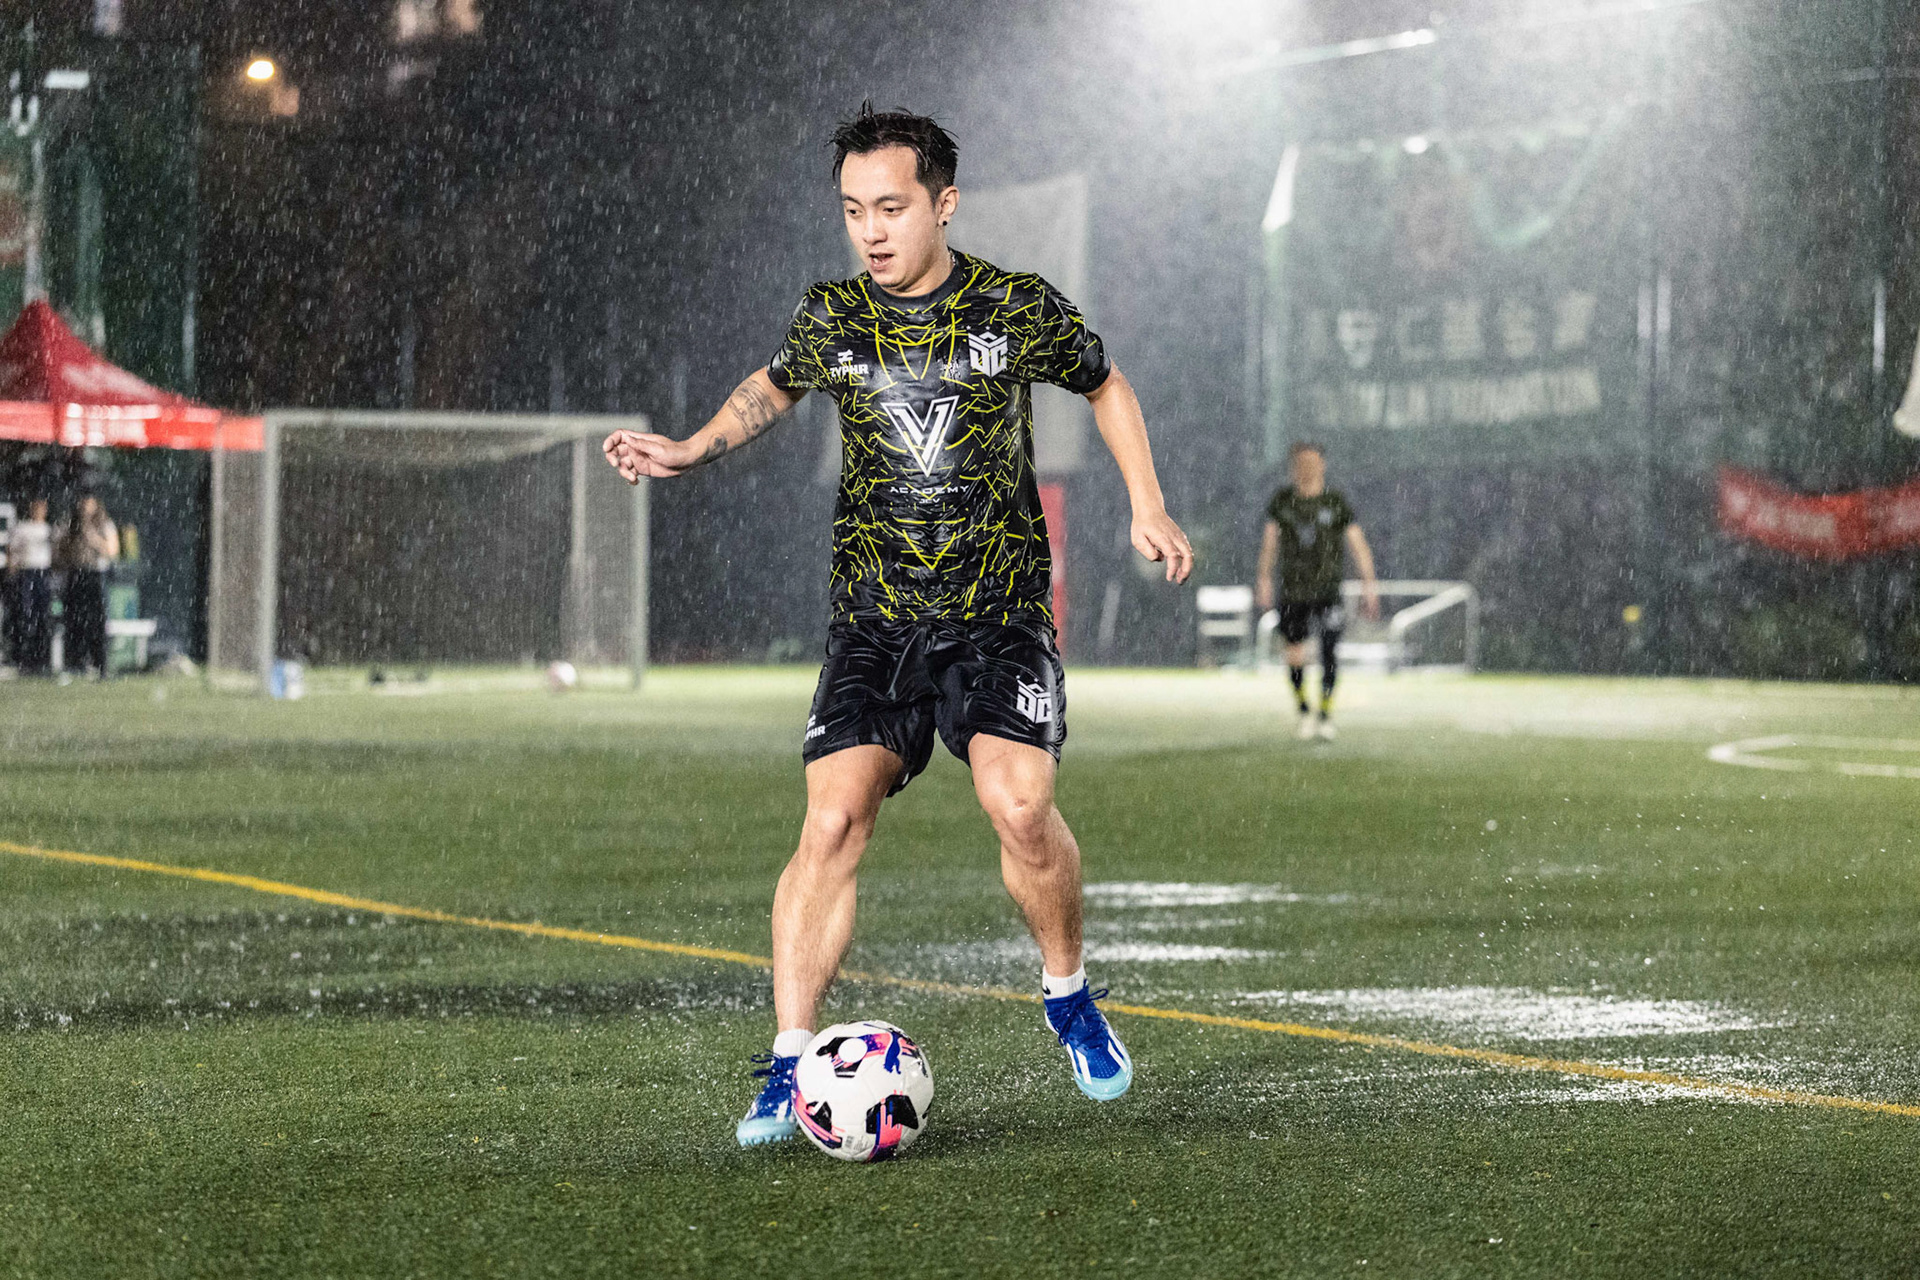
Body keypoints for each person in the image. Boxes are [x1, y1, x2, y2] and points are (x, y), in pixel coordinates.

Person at [603, 105, 1193, 1146]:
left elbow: (1106, 383)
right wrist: (694, 446)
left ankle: (1068, 993)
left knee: (1020, 804)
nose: (871, 230)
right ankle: (790, 1066)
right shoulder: (832, 315)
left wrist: (1146, 502)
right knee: (830, 819)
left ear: (942, 203)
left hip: (998, 611)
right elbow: (773, 386)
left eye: (891, 206)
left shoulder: (1011, 305)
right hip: (875, 621)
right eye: (852, 211)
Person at [1254, 442, 1378, 741]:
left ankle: (1324, 714)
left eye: (1312, 461)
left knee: (1329, 651)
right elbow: (1270, 542)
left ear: (1322, 465)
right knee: (1294, 654)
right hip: (1294, 591)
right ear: (1293, 467)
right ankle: (1304, 710)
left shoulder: (1335, 502)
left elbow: (1357, 544)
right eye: (1300, 462)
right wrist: (1264, 579)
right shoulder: (1283, 501)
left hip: (1327, 591)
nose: (1306, 467)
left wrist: (1368, 584)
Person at [58, 493, 118, 678]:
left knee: (97, 620)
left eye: (88, 502)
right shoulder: (70, 523)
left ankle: (100, 664)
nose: (84, 506)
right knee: (74, 619)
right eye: (82, 502)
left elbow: (112, 551)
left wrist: (93, 538)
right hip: (76, 573)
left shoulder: (104, 524)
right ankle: (75, 663)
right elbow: (61, 550)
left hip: (96, 574)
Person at [5, 498, 55, 675]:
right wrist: (12, 570)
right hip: (27, 573)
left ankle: (42, 660)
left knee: (43, 616)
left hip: (43, 573)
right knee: (26, 615)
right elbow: (12, 550)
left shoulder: (49, 529)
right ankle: (23, 659)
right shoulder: (22, 528)